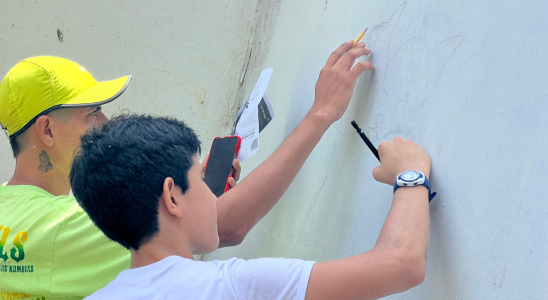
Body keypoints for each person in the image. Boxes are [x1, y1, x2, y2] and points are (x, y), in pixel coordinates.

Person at [0, 39, 374, 299]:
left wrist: (192, 185)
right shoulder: (62, 228)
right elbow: (226, 225)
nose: (105, 120)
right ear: (46, 129)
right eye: (91, 112)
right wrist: (320, 114)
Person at [70, 113, 432, 300]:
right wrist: (411, 174)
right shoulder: (232, 286)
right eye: (199, 178)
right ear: (172, 197)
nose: (215, 196)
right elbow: (402, 264)